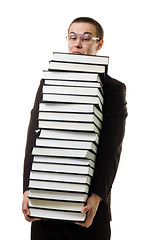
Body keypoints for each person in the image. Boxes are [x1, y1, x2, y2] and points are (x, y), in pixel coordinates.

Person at [22, 17, 128, 240]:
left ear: (100, 44)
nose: (77, 44)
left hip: (87, 208)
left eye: (86, 38)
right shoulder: (48, 82)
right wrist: (27, 189)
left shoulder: (113, 89)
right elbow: (34, 137)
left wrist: (97, 196)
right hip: (45, 204)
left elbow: (111, 148)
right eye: (73, 37)